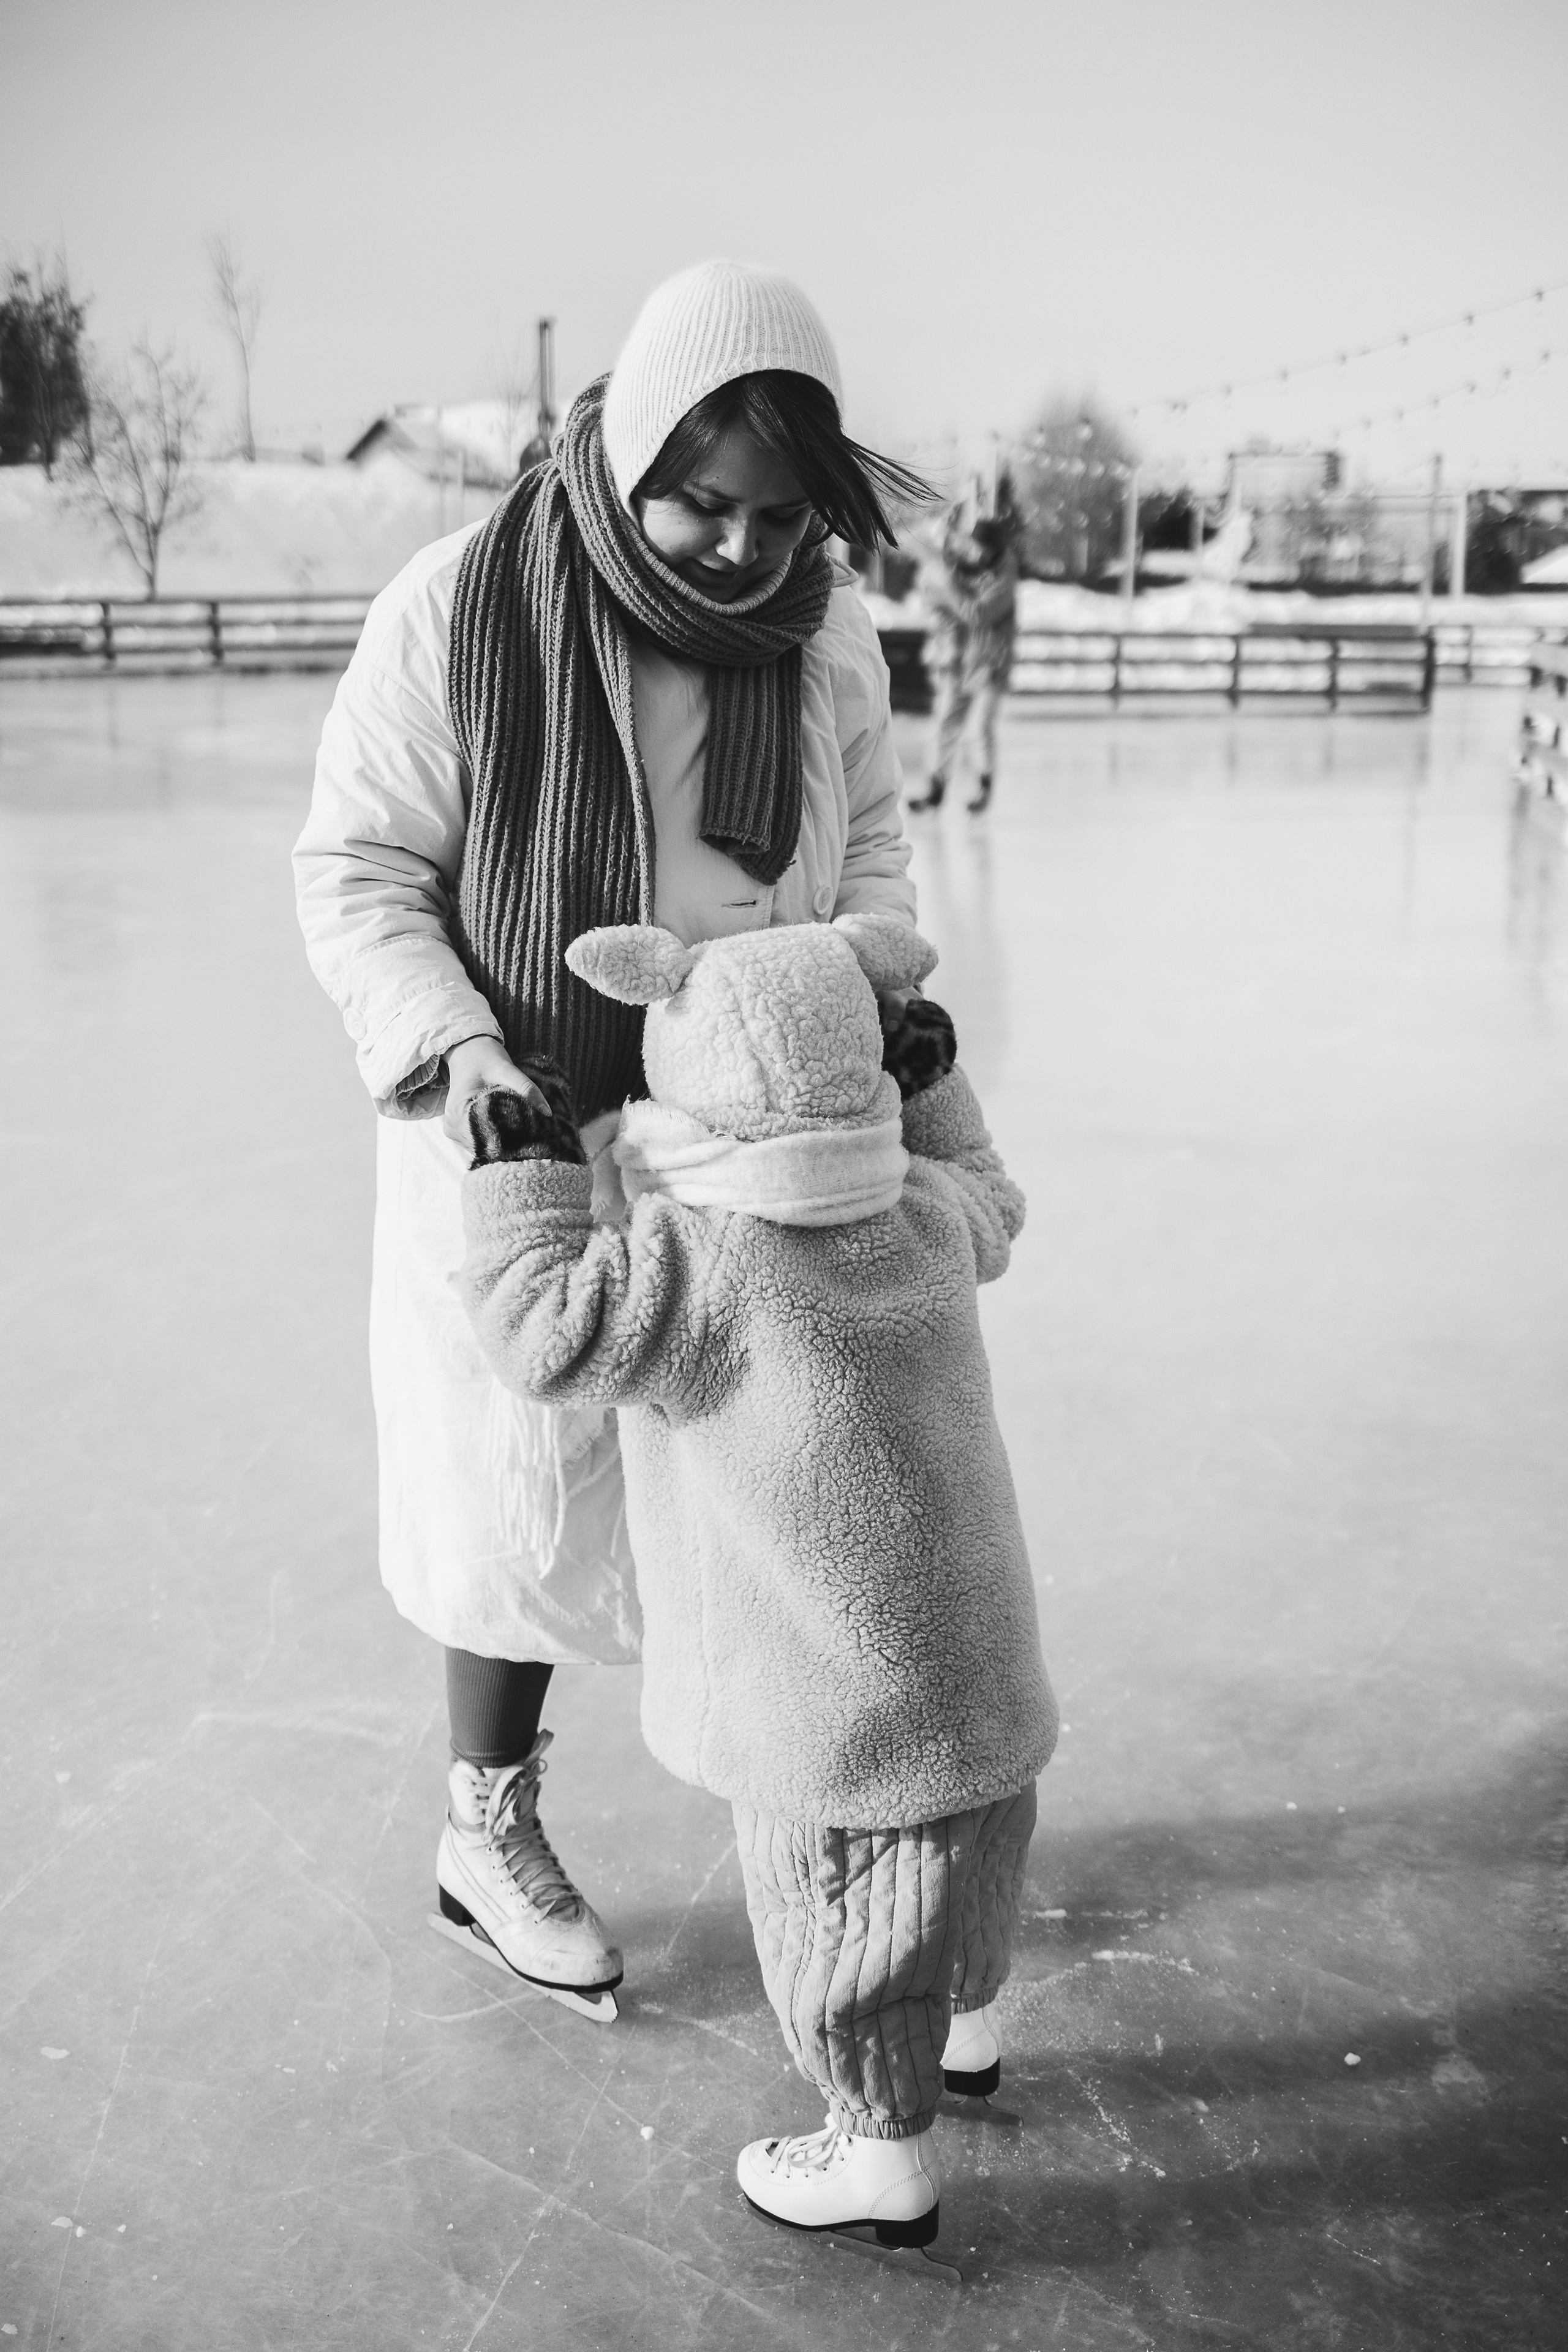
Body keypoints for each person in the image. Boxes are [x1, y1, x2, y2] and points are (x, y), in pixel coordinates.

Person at [293, 262, 929, 2016]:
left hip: (751, 1148)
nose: (739, 550)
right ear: (633, 447)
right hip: (527, 1135)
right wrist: (455, 1052)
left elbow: (872, 855)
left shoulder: (831, 644)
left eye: (779, 516)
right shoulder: (458, 609)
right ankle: (483, 1828)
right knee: (522, 1503)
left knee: (785, 1507)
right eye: (702, 502)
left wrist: (865, 985)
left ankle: (837, 1828)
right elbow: (358, 874)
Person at [459, 911, 1057, 2252]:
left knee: (843, 1918)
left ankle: (878, 2156)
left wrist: (526, 1174)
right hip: (977, 1660)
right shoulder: (918, 1211)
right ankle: (966, 2034)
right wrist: (930, 1087)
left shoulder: (702, 1260)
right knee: (963, 1866)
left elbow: (542, 1331)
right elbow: (995, 1195)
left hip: (825, 1708)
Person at [907, 511, 1019, 815]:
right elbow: (942, 566)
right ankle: (936, 787)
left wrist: (948, 585)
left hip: (992, 664)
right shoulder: (976, 567)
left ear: (993, 548)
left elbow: (977, 614)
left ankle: (984, 785)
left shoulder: (1004, 578)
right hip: (964, 661)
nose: (975, 552)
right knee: (945, 723)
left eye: (979, 547)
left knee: (979, 729)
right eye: (973, 546)